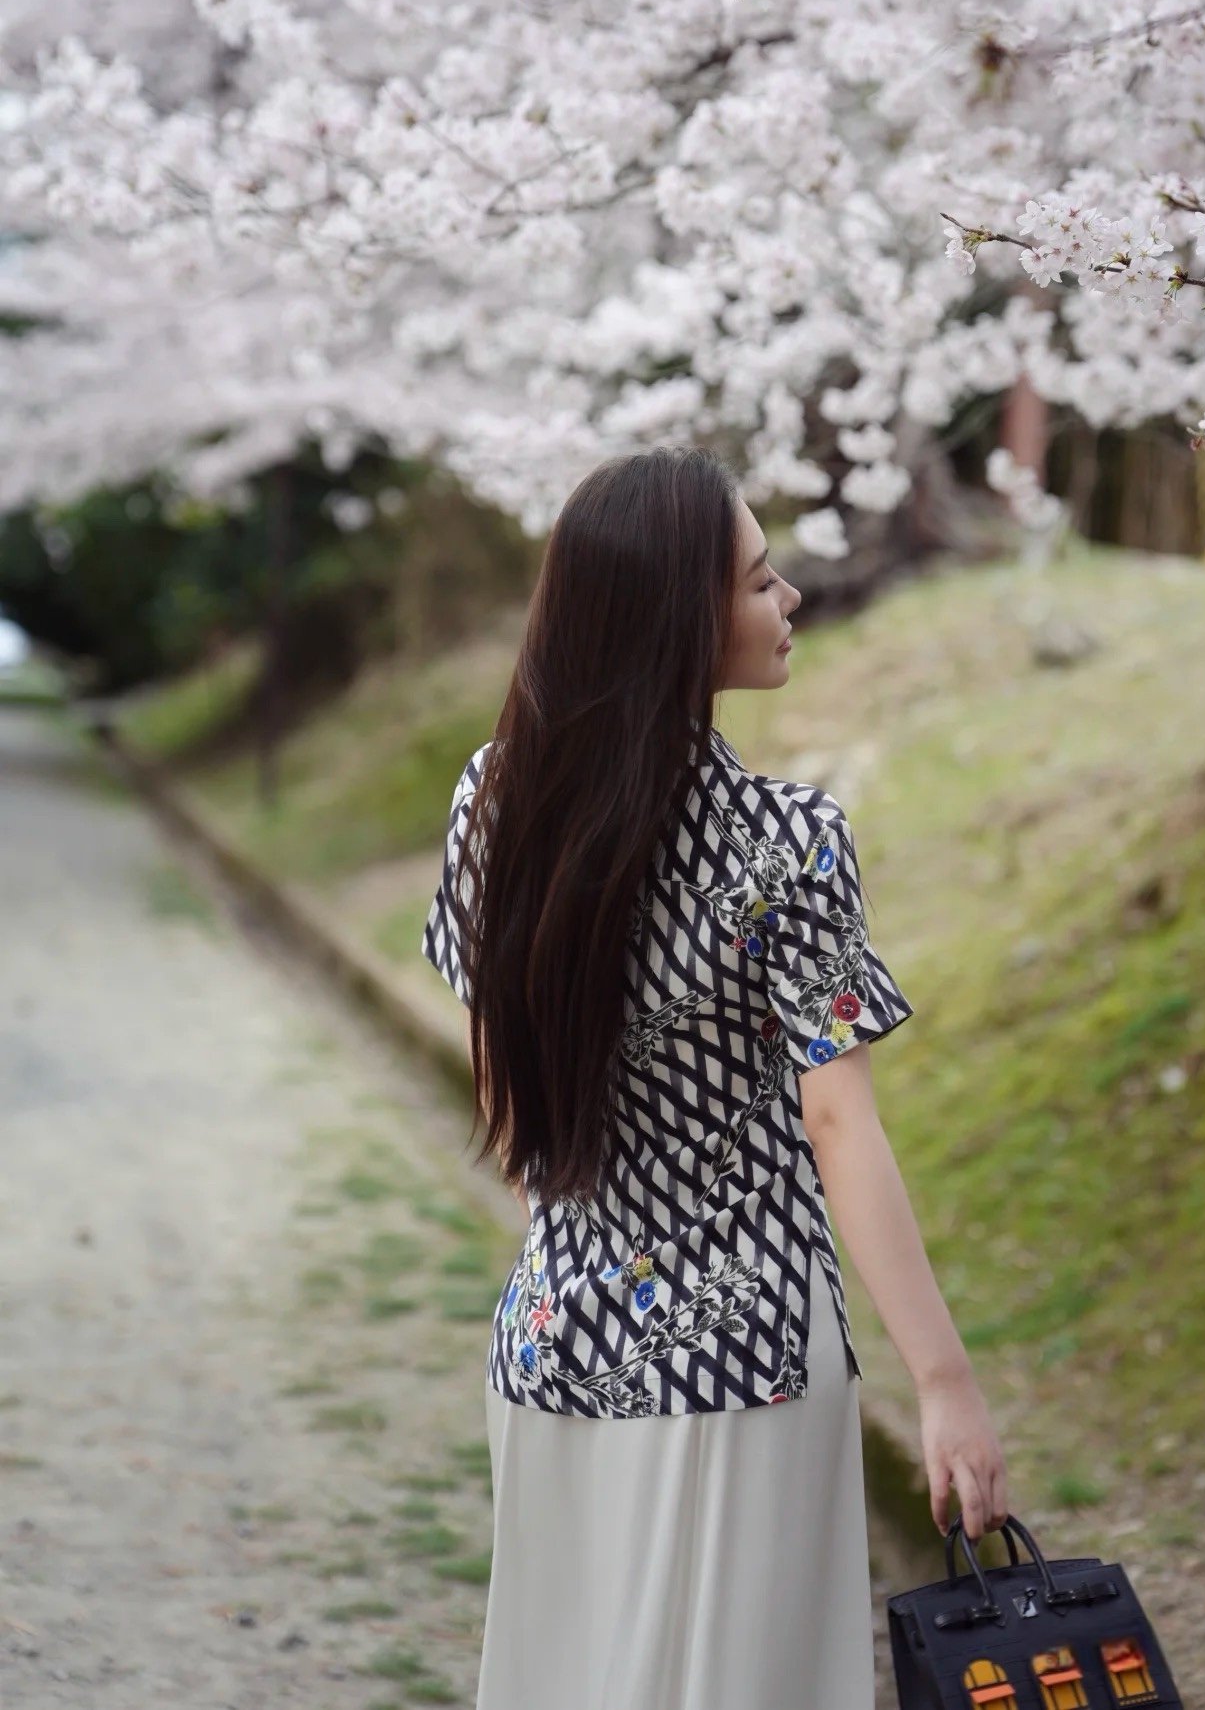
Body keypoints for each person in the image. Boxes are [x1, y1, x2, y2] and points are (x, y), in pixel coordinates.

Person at [421, 445, 1008, 1710]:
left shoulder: (493, 803)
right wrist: (947, 1384)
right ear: (678, 619)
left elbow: (503, 1084)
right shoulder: (784, 840)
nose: (788, 594)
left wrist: (587, 1250)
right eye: (756, 579)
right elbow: (838, 1115)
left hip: (554, 1332)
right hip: (747, 1354)